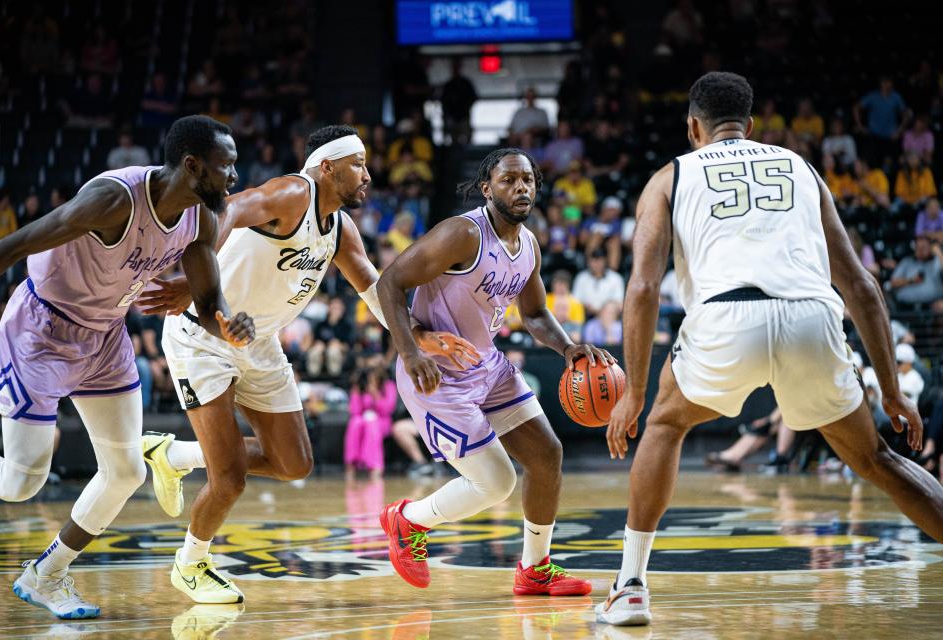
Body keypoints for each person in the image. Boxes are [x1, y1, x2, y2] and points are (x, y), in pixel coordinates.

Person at [598, 71, 943, 627]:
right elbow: (861, 286)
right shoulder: (802, 169)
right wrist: (894, 391)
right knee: (876, 458)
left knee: (664, 423)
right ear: (751, 126)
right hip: (811, 316)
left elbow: (641, 287)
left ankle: (631, 586)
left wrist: (632, 394)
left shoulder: (670, 177)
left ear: (693, 127)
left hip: (726, 318)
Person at [135, 125, 474, 604]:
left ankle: (172, 457)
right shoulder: (292, 192)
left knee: (294, 464)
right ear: (326, 167)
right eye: (357, 163)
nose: (368, 175)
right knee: (228, 477)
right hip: (204, 334)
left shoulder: (341, 228)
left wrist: (419, 338)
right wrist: (197, 286)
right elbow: (224, 211)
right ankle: (192, 562)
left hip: (259, 340)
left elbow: (376, 293)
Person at [0, 115, 255, 619]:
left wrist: (230, 325)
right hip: (43, 330)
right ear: (192, 166)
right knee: (22, 483)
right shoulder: (115, 200)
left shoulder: (202, 217)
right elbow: (17, 243)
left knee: (127, 470)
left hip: (105, 337)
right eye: (227, 167)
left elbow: (209, 301)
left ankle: (47, 574)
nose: (234, 177)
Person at [377, 148, 614, 596]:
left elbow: (537, 313)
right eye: (509, 180)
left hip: (488, 366)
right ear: (487, 188)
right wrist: (411, 352)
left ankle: (534, 568)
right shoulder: (462, 234)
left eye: (527, 180)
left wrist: (568, 347)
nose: (521, 187)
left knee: (547, 455)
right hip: (437, 376)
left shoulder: (528, 245)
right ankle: (406, 521)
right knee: (497, 483)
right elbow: (390, 282)